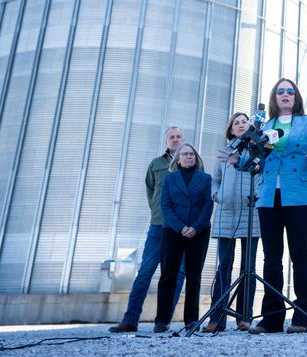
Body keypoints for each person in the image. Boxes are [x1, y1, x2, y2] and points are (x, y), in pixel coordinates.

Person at [249, 78, 307, 334]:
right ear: (274, 97)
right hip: (269, 194)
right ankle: (272, 318)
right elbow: (254, 159)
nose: (285, 95)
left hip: (298, 194)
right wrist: (243, 158)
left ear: (296, 97)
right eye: (280, 91)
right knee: (271, 257)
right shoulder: (264, 125)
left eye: (290, 92)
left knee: (300, 254)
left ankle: (302, 317)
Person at [109, 127, 187, 333]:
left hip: (182, 229)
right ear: (166, 141)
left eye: (179, 136)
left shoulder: (190, 160)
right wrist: (157, 210)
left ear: (183, 140)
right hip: (159, 226)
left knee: (177, 274)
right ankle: (130, 320)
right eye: (172, 137)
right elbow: (151, 190)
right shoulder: (156, 164)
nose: (175, 139)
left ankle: (163, 321)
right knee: (145, 272)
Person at [202, 113, 261, 333]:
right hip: (226, 213)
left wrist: (259, 194)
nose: (240, 125)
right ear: (231, 130)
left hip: (250, 213)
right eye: (236, 123)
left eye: (244, 122)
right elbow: (215, 180)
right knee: (224, 267)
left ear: (250, 126)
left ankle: (244, 317)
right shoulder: (224, 152)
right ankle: (216, 318)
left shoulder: (257, 149)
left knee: (249, 268)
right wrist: (217, 194)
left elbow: (263, 174)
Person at [155, 143, 213, 333]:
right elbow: (165, 205)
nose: (188, 156)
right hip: (173, 231)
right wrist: (180, 227)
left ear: (196, 158)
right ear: (177, 159)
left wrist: (196, 227)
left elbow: (207, 205)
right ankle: (161, 320)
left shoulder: (205, 179)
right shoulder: (170, 179)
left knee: (194, 277)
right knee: (167, 276)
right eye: (184, 154)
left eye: (191, 154)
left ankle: (191, 320)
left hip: (199, 232)